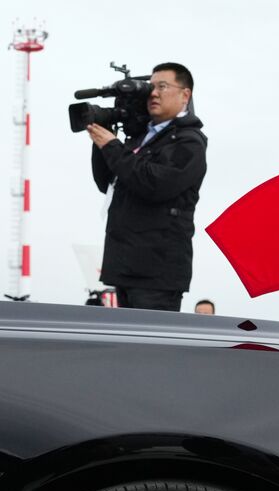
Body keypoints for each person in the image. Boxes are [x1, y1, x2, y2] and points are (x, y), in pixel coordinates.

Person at [88, 63, 207, 312]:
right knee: (127, 349)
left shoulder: (189, 142)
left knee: (152, 350)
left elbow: (155, 184)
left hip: (158, 272)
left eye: (162, 87)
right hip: (124, 265)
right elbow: (108, 183)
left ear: (185, 95)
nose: (153, 93)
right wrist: (103, 138)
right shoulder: (140, 138)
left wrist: (112, 147)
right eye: (151, 87)